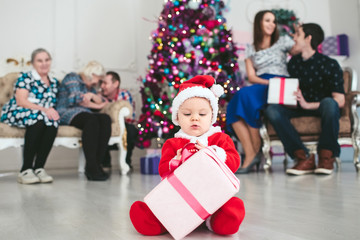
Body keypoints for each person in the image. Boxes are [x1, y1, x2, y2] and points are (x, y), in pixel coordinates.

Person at [129, 75, 245, 236]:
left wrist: (212, 154)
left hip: (212, 195)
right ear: (177, 117)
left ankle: (216, 220)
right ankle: (158, 222)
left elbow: (234, 161)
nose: (195, 118)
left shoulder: (220, 139)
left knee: (228, 207)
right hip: (182, 198)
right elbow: (163, 170)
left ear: (212, 116)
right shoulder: (173, 144)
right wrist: (176, 161)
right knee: (165, 207)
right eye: (187, 114)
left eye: (202, 114)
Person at [264, 23, 345, 175]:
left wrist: (308, 105)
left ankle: (326, 157)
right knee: (272, 110)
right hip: (297, 107)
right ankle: (303, 158)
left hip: (322, 109)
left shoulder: (330, 64)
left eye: (298, 34)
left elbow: (340, 100)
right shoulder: (293, 63)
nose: (294, 37)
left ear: (308, 38)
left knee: (330, 103)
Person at [226, 10, 297, 173]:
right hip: (263, 82)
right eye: (267, 20)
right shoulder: (251, 48)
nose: (272, 24)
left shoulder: (283, 41)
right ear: (259, 23)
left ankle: (253, 155)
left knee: (244, 96)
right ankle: (251, 153)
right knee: (234, 105)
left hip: (281, 84)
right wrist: (269, 82)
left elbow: (299, 51)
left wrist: (298, 33)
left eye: (273, 21)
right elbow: (251, 76)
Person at [1, 48, 59, 184]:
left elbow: (52, 106)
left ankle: (39, 167)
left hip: (41, 113)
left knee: (53, 121)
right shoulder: (26, 78)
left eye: (47, 60)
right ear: (33, 63)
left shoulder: (54, 82)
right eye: (40, 60)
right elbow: (21, 101)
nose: (44, 63)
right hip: (18, 110)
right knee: (39, 118)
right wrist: (45, 110)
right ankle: (25, 169)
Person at [56, 61, 111, 181]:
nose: (99, 82)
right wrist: (98, 105)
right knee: (91, 120)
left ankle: (96, 164)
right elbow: (78, 99)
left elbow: (101, 100)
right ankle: (91, 166)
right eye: (99, 78)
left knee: (105, 119)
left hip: (83, 113)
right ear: (93, 73)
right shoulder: (72, 77)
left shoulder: (90, 88)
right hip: (66, 111)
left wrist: (91, 95)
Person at [100, 71, 138, 170]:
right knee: (101, 127)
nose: (102, 86)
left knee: (131, 130)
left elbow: (130, 117)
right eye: (102, 83)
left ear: (115, 84)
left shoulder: (124, 95)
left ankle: (126, 161)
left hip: (123, 125)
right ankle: (105, 162)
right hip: (106, 126)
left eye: (105, 83)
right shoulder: (99, 96)